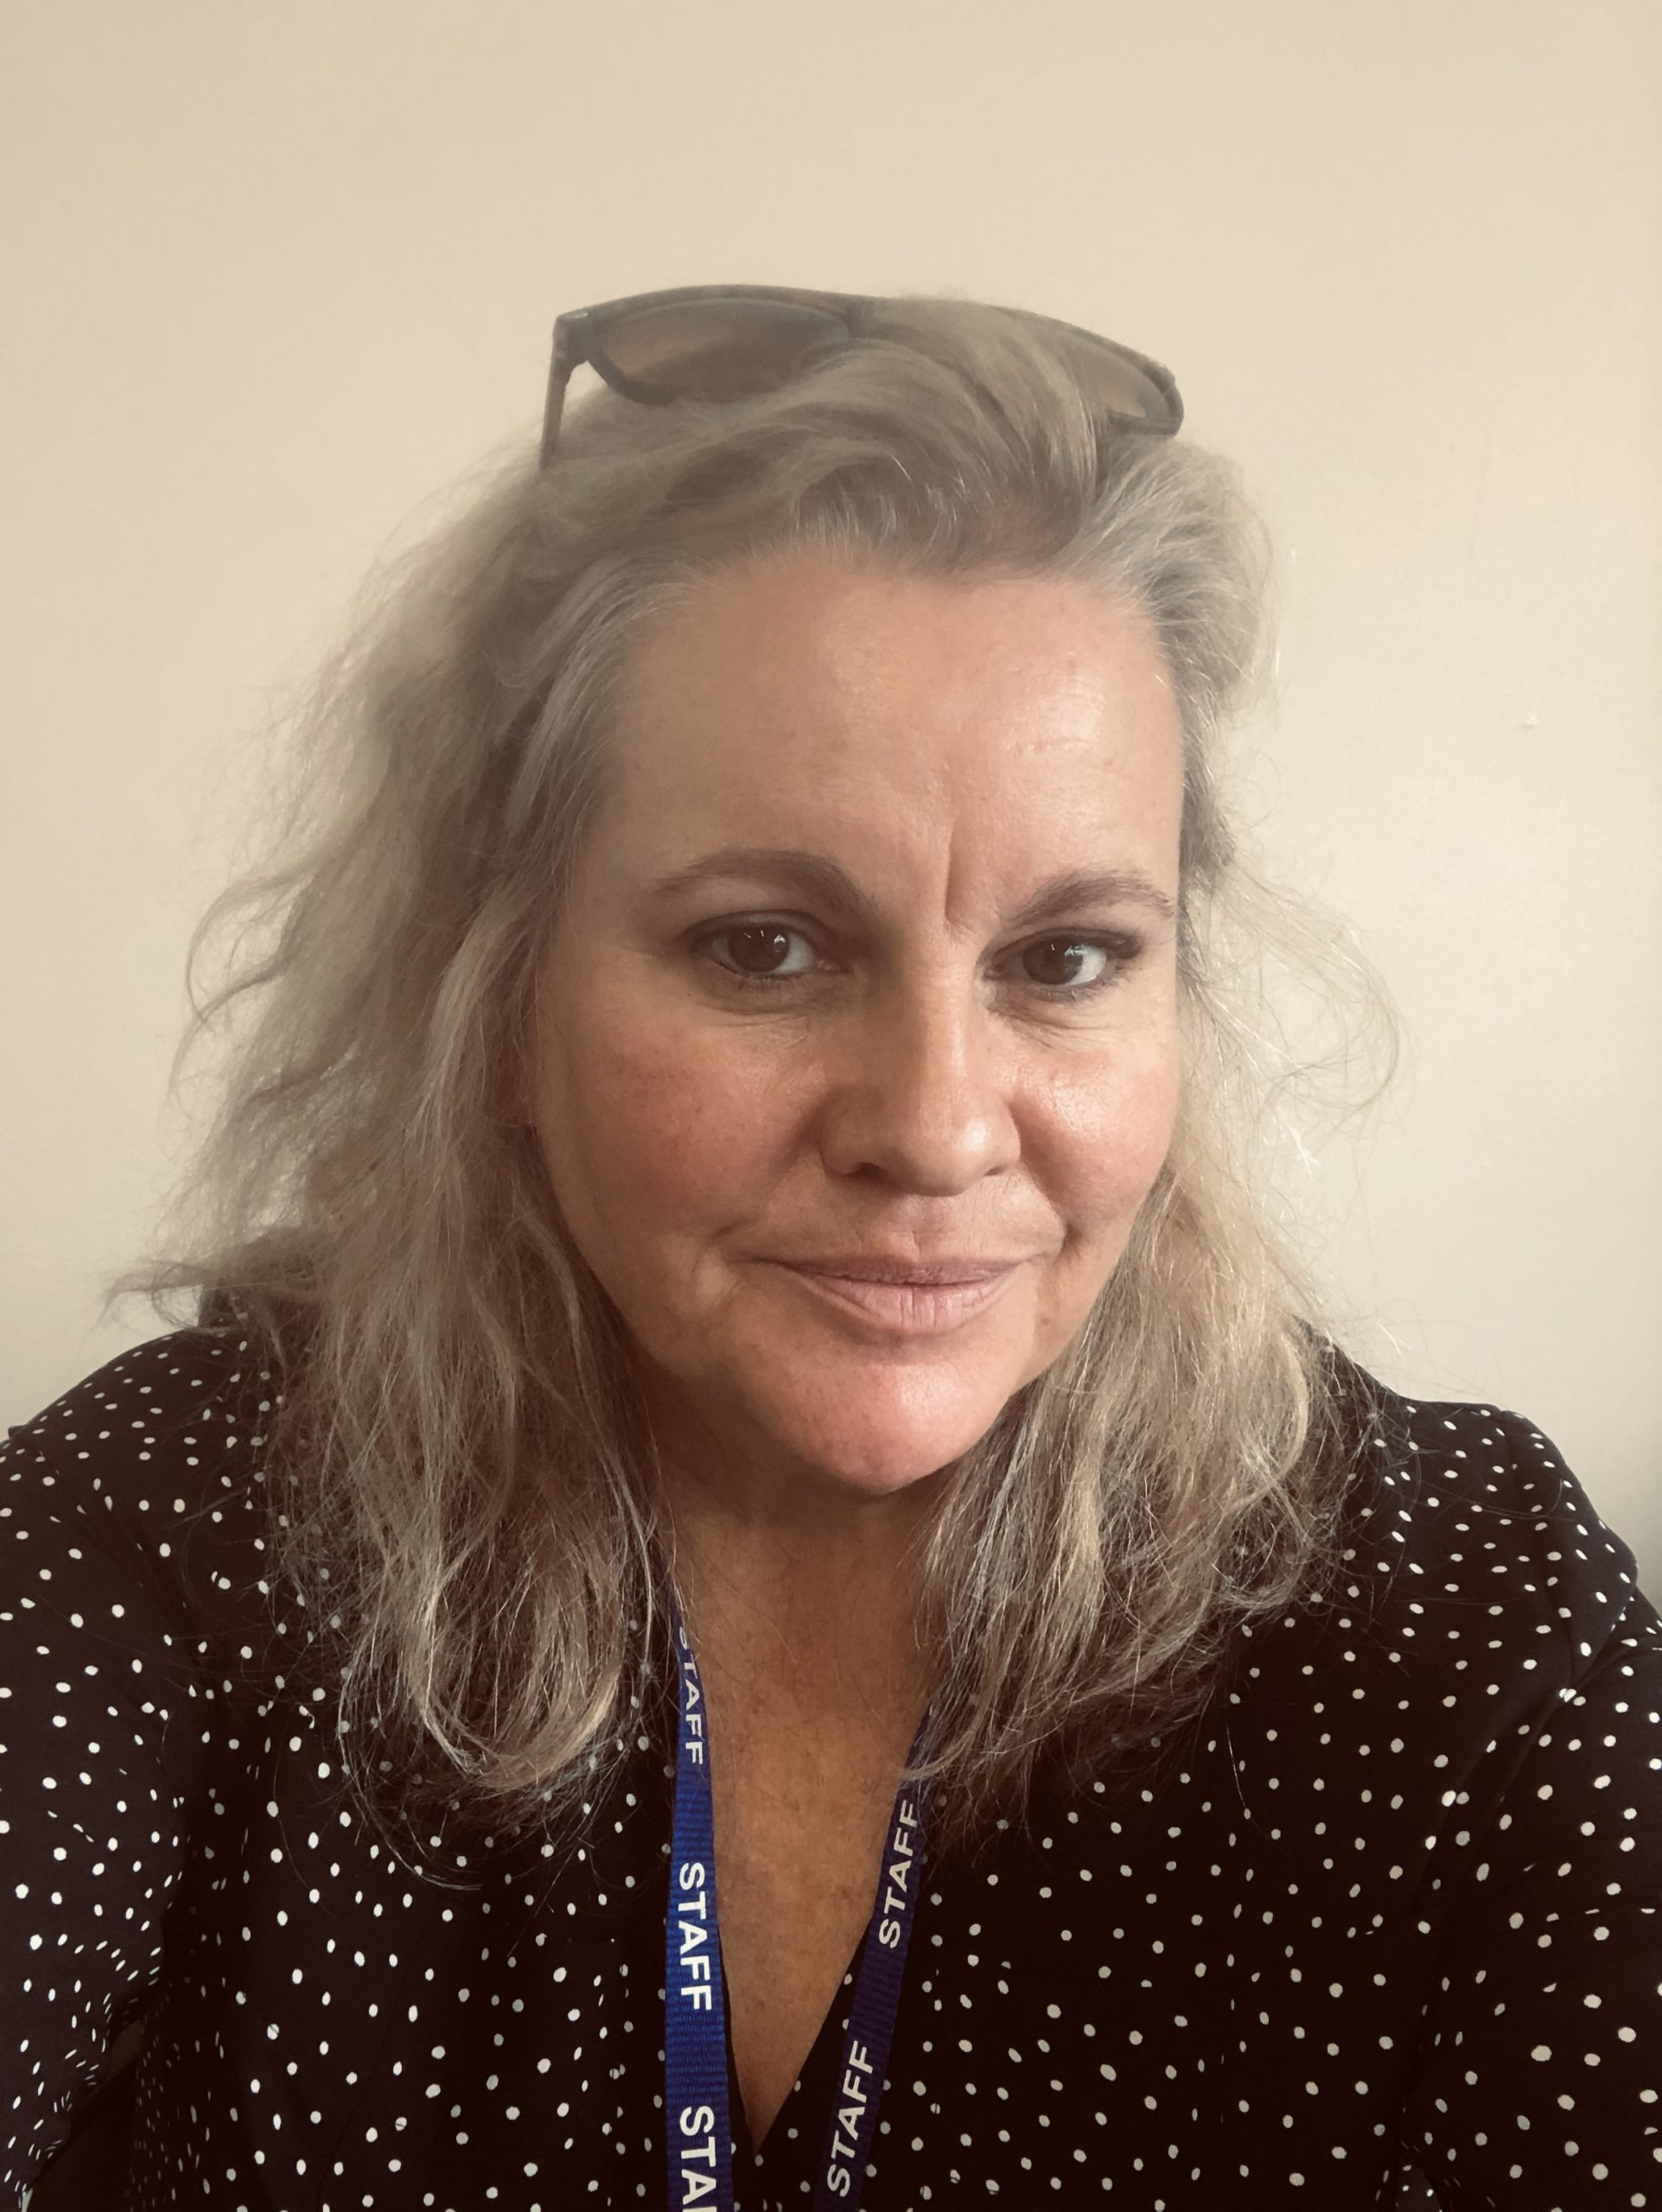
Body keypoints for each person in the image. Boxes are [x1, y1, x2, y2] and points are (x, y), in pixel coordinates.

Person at [3, 284, 1657, 2212]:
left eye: (1064, 957)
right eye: (767, 946)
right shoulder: (184, 1534)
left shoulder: (1455, 1618)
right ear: (500, 992)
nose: (938, 1128)